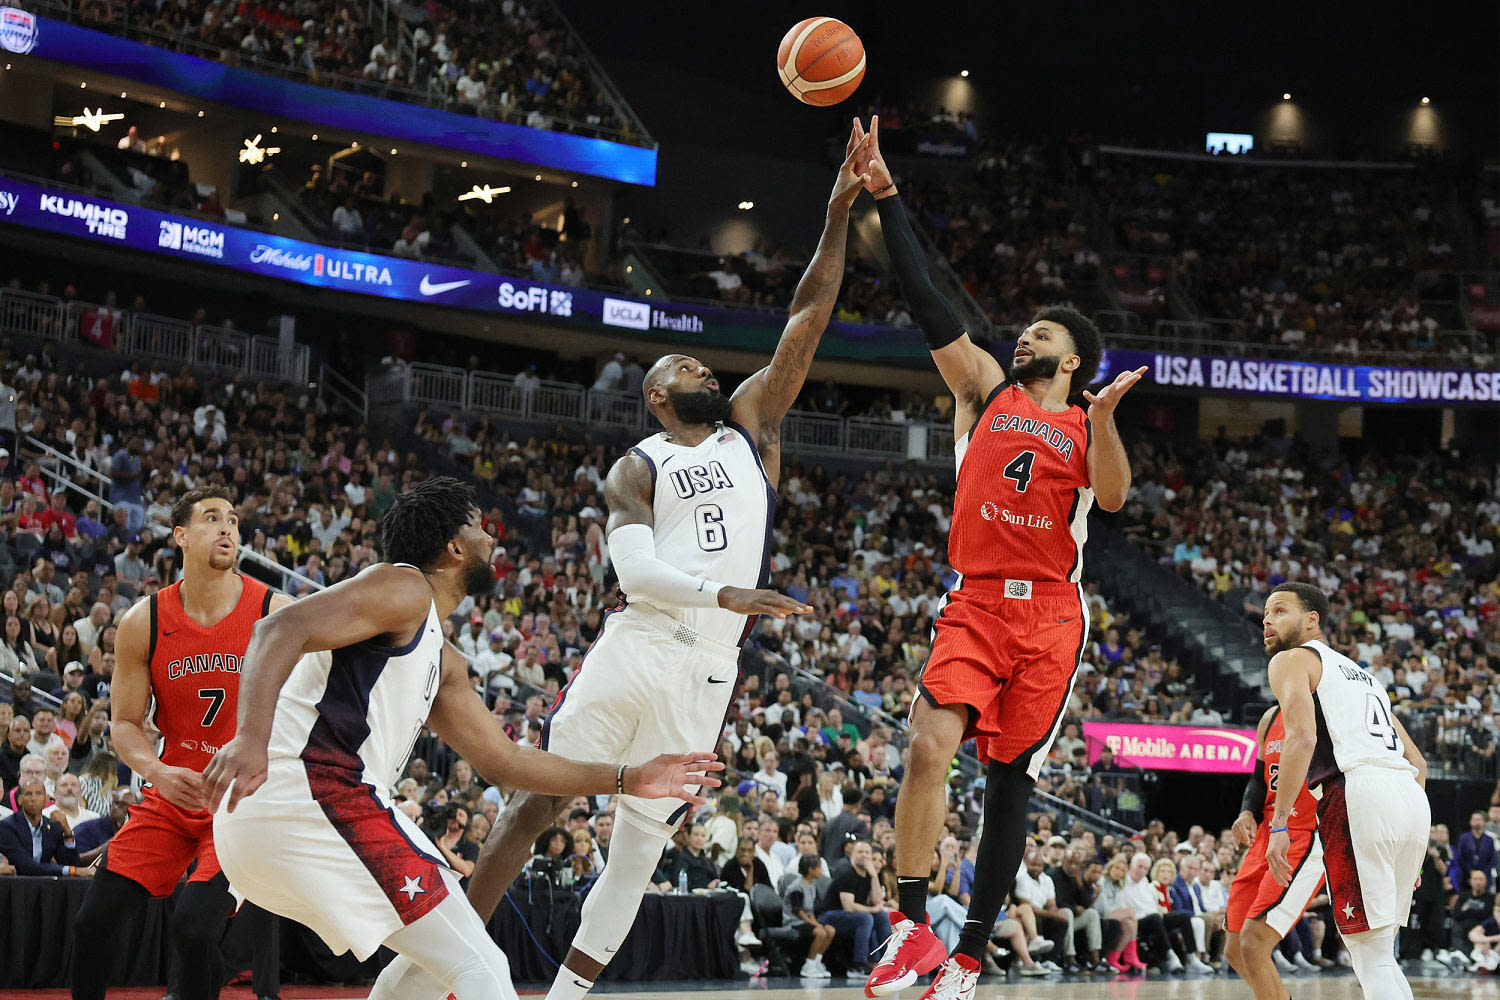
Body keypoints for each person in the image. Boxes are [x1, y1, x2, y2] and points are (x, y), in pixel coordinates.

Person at [376, 129, 873, 1000]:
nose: (704, 369)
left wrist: (836, 216)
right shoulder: (638, 464)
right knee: (533, 811)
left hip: (710, 670)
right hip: (640, 641)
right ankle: (417, 984)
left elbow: (808, 317)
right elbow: (635, 573)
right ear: (655, 393)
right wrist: (726, 589)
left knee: (640, 851)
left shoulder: (753, 425)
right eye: (684, 364)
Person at [204, 477, 721, 1000]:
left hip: (270, 822)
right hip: (309, 795)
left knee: (433, 966)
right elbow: (276, 629)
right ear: (453, 547)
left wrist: (628, 778)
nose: (491, 538)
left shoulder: (440, 655)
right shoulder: (403, 586)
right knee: (483, 969)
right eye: (478, 527)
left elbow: (506, 761)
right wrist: (250, 739)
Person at [849, 114, 1146, 1000]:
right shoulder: (983, 390)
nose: (1026, 339)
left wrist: (1102, 422)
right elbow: (930, 302)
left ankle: (971, 959)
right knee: (926, 748)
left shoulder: (1084, 424)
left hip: (1052, 613)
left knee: (1009, 783)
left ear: (1077, 359)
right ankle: (909, 926)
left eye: (1043, 337)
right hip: (977, 600)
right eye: (1024, 331)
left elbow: (1119, 497)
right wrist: (887, 197)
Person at [71, 486, 291, 1000]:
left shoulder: (274, 610)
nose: (227, 529)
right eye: (212, 519)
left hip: (242, 801)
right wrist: (159, 772)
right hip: (174, 791)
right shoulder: (143, 620)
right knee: (90, 923)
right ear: (181, 536)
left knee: (193, 928)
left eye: (234, 521)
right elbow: (125, 724)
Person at [1261, 582, 1429, 1000]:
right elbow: (1419, 764)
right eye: (1265, 613)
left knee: (1370, 956)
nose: (1267, 619)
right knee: (1381, 953)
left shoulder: (1291, 659)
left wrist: (1279, 825)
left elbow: (1301, 738)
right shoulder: (1366, 677)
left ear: (1312, 619)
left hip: (1358, 793)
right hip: (1409, 799)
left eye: (1280, 611)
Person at [1223, 703, 1327, 1000]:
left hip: (1305, 836)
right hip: (1266, 835)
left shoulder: (1327, 716)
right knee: (1234, 949)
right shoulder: (1270, 718)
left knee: (1254, 942)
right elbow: (1259, 779)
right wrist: (1246, 812)